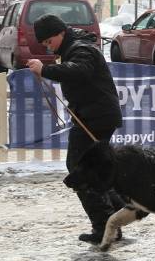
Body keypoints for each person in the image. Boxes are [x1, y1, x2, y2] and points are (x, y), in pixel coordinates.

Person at [26, 14, 124, 244]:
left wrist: (45, 70)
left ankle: (105, 225)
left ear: (60, 33)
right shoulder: (75, 46)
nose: (48, 47)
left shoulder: (81, 49)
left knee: (80, 170)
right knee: (96, 168)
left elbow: (79, 71)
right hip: (95, 115)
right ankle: (119, 214)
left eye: (49, 41)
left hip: (95, 117)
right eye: (45, 44)